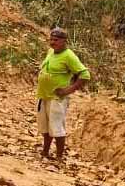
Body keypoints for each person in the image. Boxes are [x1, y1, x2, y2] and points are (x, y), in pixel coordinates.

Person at [36, 27, 91, 162]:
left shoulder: (69, 55)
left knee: (56, 127)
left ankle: (59, 156)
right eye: (51, 39)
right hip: (43, 95)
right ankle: (45, 151)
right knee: (45, 126)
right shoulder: (50, 52)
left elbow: (85, 75)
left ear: (64, 41)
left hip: (57, 98)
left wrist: (68, 90)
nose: (52, 42)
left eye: (56, 40)